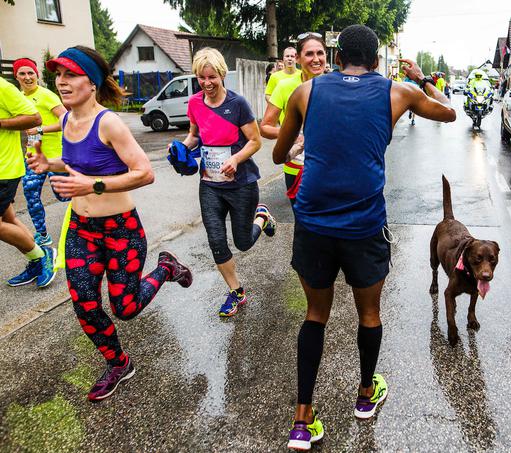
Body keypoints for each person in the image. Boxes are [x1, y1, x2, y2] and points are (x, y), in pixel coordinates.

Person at [273, 24, 456, 451]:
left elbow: (280, 155)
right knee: (368, 313)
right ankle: (364, 396)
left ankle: (302, 421)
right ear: (376, 61)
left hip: (314, 223)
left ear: (337, 59)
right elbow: (449, 112)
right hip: (364, 226)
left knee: (315, 315)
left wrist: (306, 145)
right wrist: (424, 77)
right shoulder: (398, 92)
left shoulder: (307, 92)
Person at [28, 45, 193, 401]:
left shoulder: (109, 123)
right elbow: (78, 163)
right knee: (84, 304)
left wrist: (92, 185)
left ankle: (166, 268)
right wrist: (49, 163)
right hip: (81, 231)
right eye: (59, 75)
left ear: (92, 82)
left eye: (71, 75)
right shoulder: (67, 120)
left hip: (121, 230)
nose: (62, 82)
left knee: (126, 308)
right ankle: (119, 363)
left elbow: (144, 173)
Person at [176, 47, 276, 317]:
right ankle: (236, 292)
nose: (207, 83)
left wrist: (236, 159)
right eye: (201, 78)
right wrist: (181, 148)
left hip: (241, 183)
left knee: (243, 243)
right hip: (210, 184)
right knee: (217, 241)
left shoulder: (238, 104)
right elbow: (195, 135)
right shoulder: (195, 103)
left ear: (222, 75)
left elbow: (255, 141)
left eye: (212, 77)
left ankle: (262, 217)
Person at [0, 76, 56, 288]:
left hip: (4, 168)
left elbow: (35, 118)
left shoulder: (2, 87)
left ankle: (42, 256)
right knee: (9, 219)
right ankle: (37, 260)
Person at [261, 32, 327, 206]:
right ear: (298, 58)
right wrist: (291, 134)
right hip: (295, 165)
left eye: (320, 53)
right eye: (309, 54)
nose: (316, 59)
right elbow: (265, 127)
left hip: (327, 167)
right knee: (302, 222)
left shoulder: (335, 85)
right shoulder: (285, 86)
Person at [14, 58, 69, 247]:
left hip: (56, 156)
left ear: (36, 75)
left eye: (31, 73)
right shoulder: (18, 98)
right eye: (22, 73)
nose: (28, 77)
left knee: (64, 195)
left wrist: (40, 130)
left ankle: (87, 219)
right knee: (31, 193)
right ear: (16, 77)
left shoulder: (46, 95)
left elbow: (66, 119)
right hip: (33, 157)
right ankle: (43, 234)